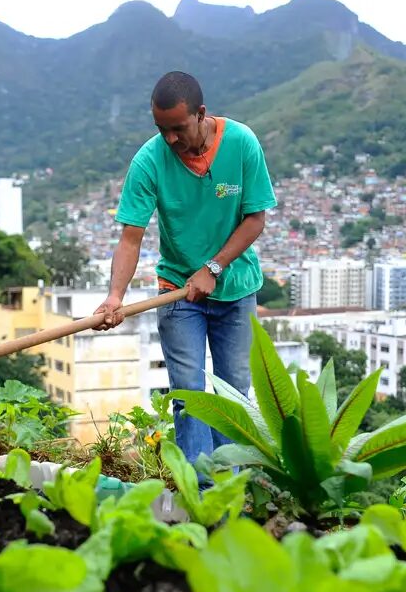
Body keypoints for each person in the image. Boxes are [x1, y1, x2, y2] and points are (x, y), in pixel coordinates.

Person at [93, 70, 277, 468]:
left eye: (178, 128)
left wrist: (213, 267)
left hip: (236, 288)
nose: (170, 139)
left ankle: (231, 482)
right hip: (178, 290)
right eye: (162, 129)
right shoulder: (149, 160)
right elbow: (130, 237)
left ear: (201, 114)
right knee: (189, 392)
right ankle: (202, 489)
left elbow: (255, 219)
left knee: (231, 394)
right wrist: (114, 297)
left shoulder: (242, 144)